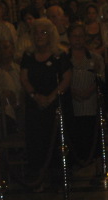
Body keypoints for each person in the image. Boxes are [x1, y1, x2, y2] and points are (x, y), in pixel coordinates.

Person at [20, 17, 72, 189]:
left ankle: (58, 178)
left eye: (43, 32)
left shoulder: (59, 55)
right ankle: (38, 177)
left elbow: (66, 78)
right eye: (36, 33)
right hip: (35, 106)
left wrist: (50, 98)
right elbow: (24, 78)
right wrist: (35, 96)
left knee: (55, 141)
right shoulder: (28, 55)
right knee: (37, 141)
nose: (39, 36)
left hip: (54, 105)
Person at [67, 22, 105, 165]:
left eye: (81, 36)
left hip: (91, 103)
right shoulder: (64, 58)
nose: (78, 39)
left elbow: (101, 78)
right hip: (72, 104)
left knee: (91, 134)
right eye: (74, 36)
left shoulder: (95, 58)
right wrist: (73, 91)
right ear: (69, 38)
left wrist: (89, 91)